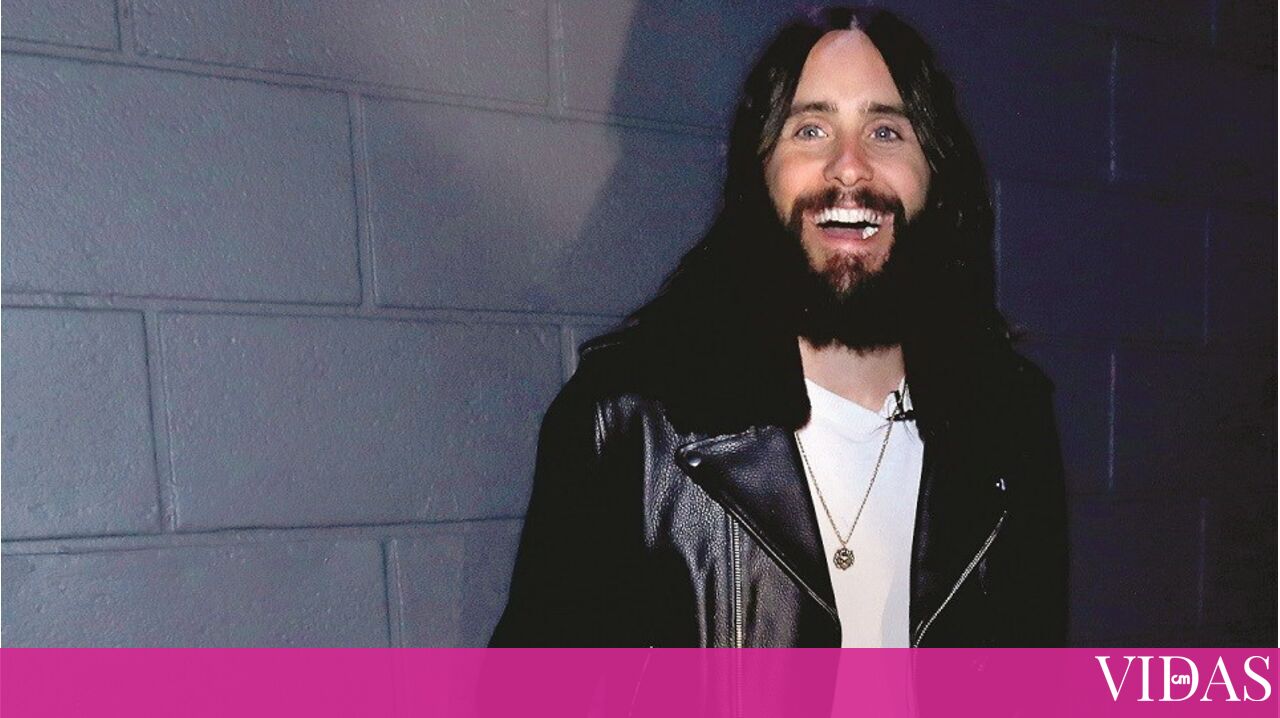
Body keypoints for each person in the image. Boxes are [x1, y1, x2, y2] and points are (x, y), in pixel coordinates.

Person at [490, 6, 1067, 648]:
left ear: (935, 173)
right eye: (811, 129)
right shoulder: (627, 426)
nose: (849, 167)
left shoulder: (1011, 420)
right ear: (760, 170)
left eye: (885, 132)